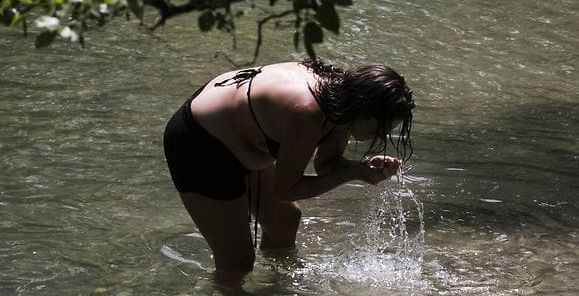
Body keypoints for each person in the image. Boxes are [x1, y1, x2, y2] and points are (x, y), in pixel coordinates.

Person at [162, 58, 414, 283]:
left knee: (283, 221)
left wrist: (363, 168)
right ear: (364, 108)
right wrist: (353, 174)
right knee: (237, 261)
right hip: (200, 144)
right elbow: (285, 189)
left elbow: (326, 162)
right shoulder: (307, 111)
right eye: (380, 127)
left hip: (241, 138)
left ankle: (277, 290)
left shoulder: (343, 102)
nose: (381, 135)